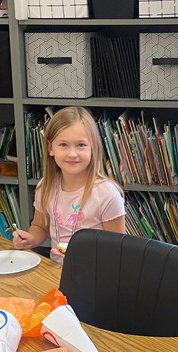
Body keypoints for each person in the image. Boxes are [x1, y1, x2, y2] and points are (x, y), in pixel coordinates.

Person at [11, 106, 124, 262]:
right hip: (55, 273)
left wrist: (81, 255)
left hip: (94, 276)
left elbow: (116, 249)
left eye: (81, 145)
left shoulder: (107, 194)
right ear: (51, 148)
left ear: (93, 147)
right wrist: (30, 239)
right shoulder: (45, 187)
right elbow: (40, 227)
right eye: (63, 145)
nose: (72, 154)